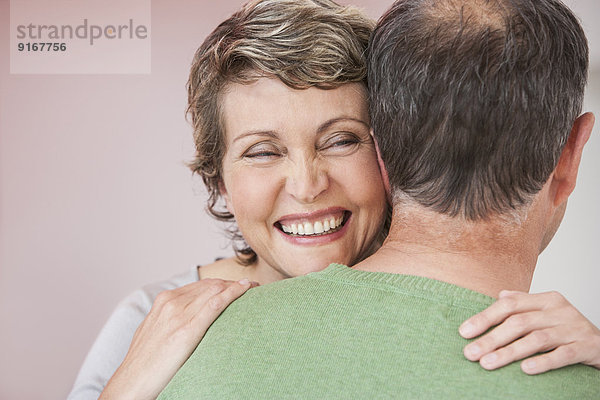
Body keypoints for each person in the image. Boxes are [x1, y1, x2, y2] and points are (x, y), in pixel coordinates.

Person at [68, 0, 600, 399]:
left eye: (342, 140)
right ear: (220, 181)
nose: (306, 184)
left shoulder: (478, 310)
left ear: (392, 149)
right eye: (261, 152)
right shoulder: (154, 320)